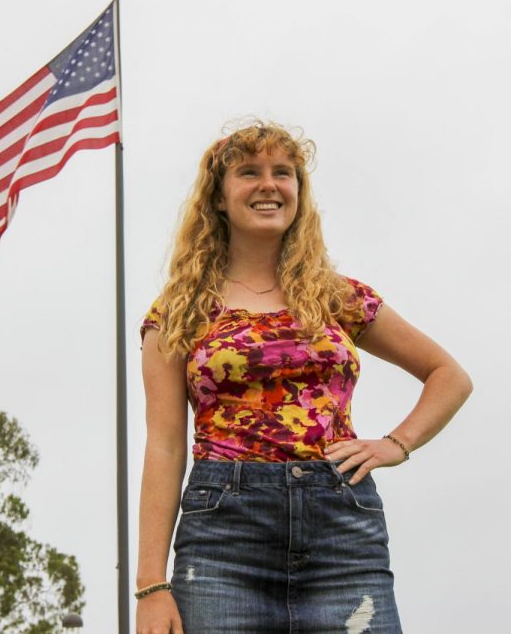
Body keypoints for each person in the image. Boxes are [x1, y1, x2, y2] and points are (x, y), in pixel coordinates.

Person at [134, 122, 472, 634]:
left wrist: (395, 444)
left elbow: (449, 375)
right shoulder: (179, 312)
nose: (269, 184)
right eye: (250, 172)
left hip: (343, 535)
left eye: (283, 173)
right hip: (223, 539)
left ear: (298, 191)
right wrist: (151, 587)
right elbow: (163, 448)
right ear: (220, 199)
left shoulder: (338, 296)